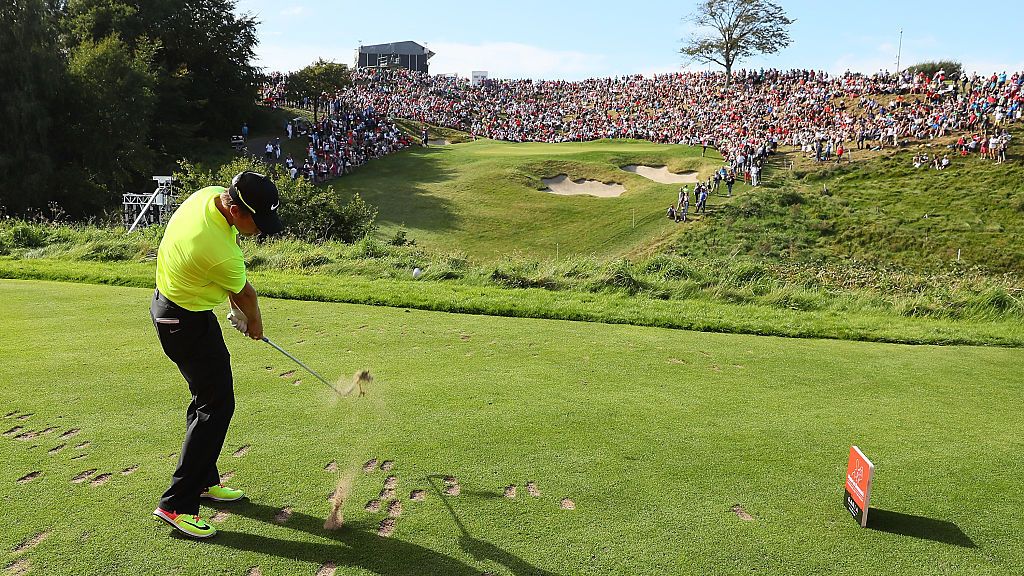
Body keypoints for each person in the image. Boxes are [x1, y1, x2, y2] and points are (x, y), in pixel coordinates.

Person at [150, 171, 284, 539]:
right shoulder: (216, 249)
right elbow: (246, 296)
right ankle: (176, 504)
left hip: (181, 310)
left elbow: (230, 286)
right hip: (183, 322)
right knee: (216, 405)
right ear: (238, 210)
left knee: (208, 400)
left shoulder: (211, 196)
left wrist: (238, 309)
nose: (261, 230)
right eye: (258, 222)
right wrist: (253, 324)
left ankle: (204, 481)